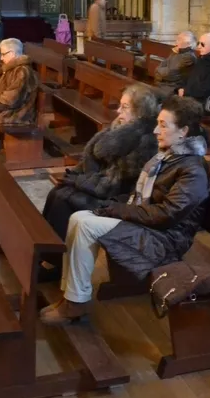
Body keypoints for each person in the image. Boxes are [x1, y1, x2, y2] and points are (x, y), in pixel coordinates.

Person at [39, 96, 210, 325]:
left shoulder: (193, 169)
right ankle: (70, 297)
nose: (155, 130)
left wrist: (116, 209)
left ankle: (76, 302)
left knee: (86, 224)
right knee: (78, 217)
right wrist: (114, 207)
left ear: (183, 131)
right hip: (148, 224)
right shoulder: (169, 156)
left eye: (163, 125)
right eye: (157, 123)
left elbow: (167, 215)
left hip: (166, 239)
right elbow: (144, 201)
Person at [39, 85, 161, 281]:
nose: (118, 111)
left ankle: (55, 262)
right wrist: (75, 176)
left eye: (124, 107)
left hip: (118, 198)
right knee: (57, 191)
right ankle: (45, 250)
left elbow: (115, 181)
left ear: (140, 112)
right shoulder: (119, 128)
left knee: (63, 200)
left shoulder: (145, 140)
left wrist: (79, 181)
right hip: (99, 186)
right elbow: (90, 161)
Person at [177, 32, 210, 114]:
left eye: (202, 44)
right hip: (192, 97)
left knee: (174, 110)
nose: (198, 47)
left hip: (205, 103)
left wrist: (186, 91)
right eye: (198, 43)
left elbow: (206, 89)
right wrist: (182, 88)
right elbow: (190, 78)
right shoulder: (202, 59)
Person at [154, 31, 198, 96]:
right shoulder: (176, 52)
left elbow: (169, 73)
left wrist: (158, 72)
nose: (176, 42)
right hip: (163, 84)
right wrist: (158, 71)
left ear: (188, 44)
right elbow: (160, 66)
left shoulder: (189, 57)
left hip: (172, 88)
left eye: (179, 40)